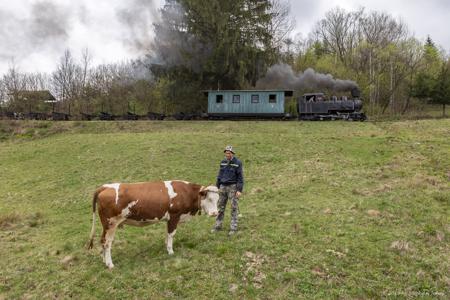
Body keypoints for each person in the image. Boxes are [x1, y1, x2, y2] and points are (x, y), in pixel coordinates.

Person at [212, 145, 244, 235]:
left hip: (233, 187)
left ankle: (233, 227)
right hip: (222, 187)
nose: (227, 154)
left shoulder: (237, 162)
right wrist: (217, 187)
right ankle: (218, 226)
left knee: (234, 207)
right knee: (220, 207)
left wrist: (239, 190)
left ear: (232, 153)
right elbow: (219, 175)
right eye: (226, 153)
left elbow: (240, 177)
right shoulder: (222, 162)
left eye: (229, 153)